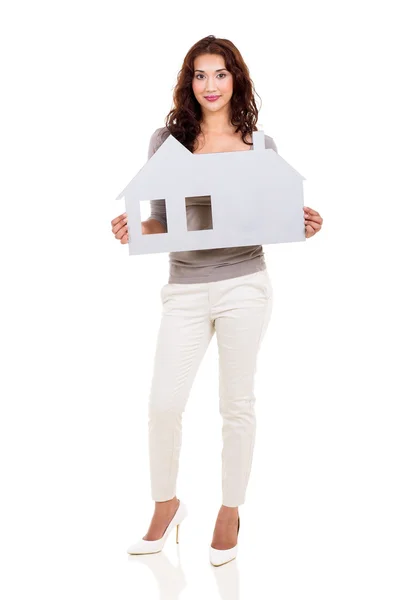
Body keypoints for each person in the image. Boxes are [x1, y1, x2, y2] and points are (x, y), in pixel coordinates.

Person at [111, 35, 323, 566]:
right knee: (163, 405)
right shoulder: (167, 142)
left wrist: (304, 222)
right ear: (189, 82)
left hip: (244, 284)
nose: (210, 85)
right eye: (201, 75)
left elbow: (270, 216)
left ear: (236, 80)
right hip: (183, 287)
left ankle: (230, 511)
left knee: (237, 405)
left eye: (221, 74)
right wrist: (137, 228)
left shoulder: (259, 145)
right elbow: (165, 218)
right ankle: (166, 506)